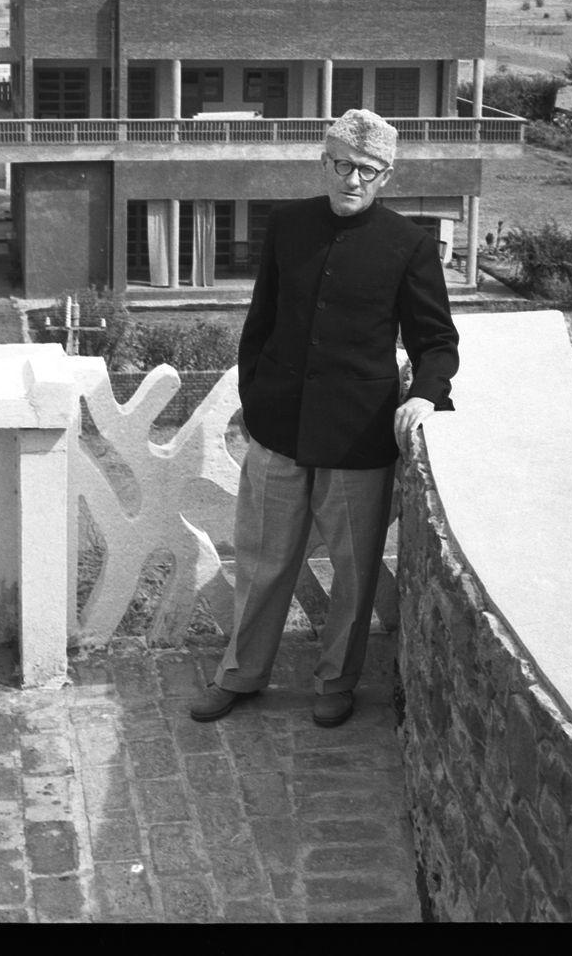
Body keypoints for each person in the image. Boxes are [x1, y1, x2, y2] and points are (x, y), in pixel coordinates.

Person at [191, 109, 459, 728]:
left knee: (354, 570)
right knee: (261, 560)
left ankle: (336, 680)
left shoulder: (409, 246)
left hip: (359, 436)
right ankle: (240, 674)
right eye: (342, 164)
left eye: (368, 170)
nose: (353, 179)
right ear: (324, 162)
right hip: (278, 430)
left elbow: (436, 340)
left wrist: (428, 392)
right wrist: (257, 401)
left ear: (386, 176)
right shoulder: (288, 228)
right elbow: (258, 326)